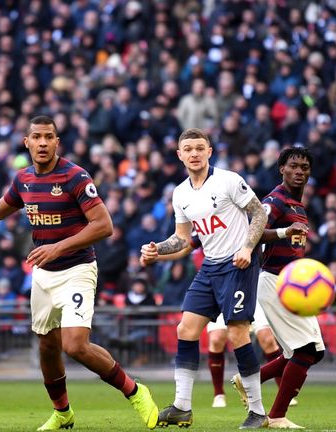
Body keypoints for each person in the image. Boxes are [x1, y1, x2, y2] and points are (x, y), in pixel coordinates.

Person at [0, 115, 159, 431]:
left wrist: (58, 247)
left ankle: (134, 391)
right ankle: (63, 413)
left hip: (77, 269)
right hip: (44, 275)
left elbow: (104, 226)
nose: (43, 142)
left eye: (49, 136)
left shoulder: (75, 177)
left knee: (75, 345)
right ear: (27, 142)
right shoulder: (24, 179)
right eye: (37, 136)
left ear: (57, 142)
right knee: (47, 346)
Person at [140, 128, 269, 429]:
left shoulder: (228, 180)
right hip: (210, 267)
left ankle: (258, 412)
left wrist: (248, 248)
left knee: (237, 335)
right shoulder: (180, 193)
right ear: (180, 155)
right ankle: (182, 407)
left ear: (210, 151)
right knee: (186, 329)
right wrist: (157, 250)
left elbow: (259, 213)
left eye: (200, 148)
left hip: (239, 266)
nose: (195, 153)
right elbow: (183, 240)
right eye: (189, 149)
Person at [231, 146, 325, 429]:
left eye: (304, 168)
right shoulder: (276, 200)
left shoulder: (298, 206)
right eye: (293, 166)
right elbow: (255, 230)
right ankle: (277, 416)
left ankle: (249, 380)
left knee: (312, 351)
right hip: (273, 280)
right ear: (281, 169)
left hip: (292, 284)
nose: (299, 171)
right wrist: (283, 232)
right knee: (305, 350)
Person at [144, 238, 295, 409]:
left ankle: (271, 397)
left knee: (265, 339)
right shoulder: (202, 225)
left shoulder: (246, 219)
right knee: (214, 338)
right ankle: (215, 395)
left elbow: (263, 231)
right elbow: (186, 242)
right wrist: (157, 255)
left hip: (249, 282)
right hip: (216, 283)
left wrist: (280, 234)